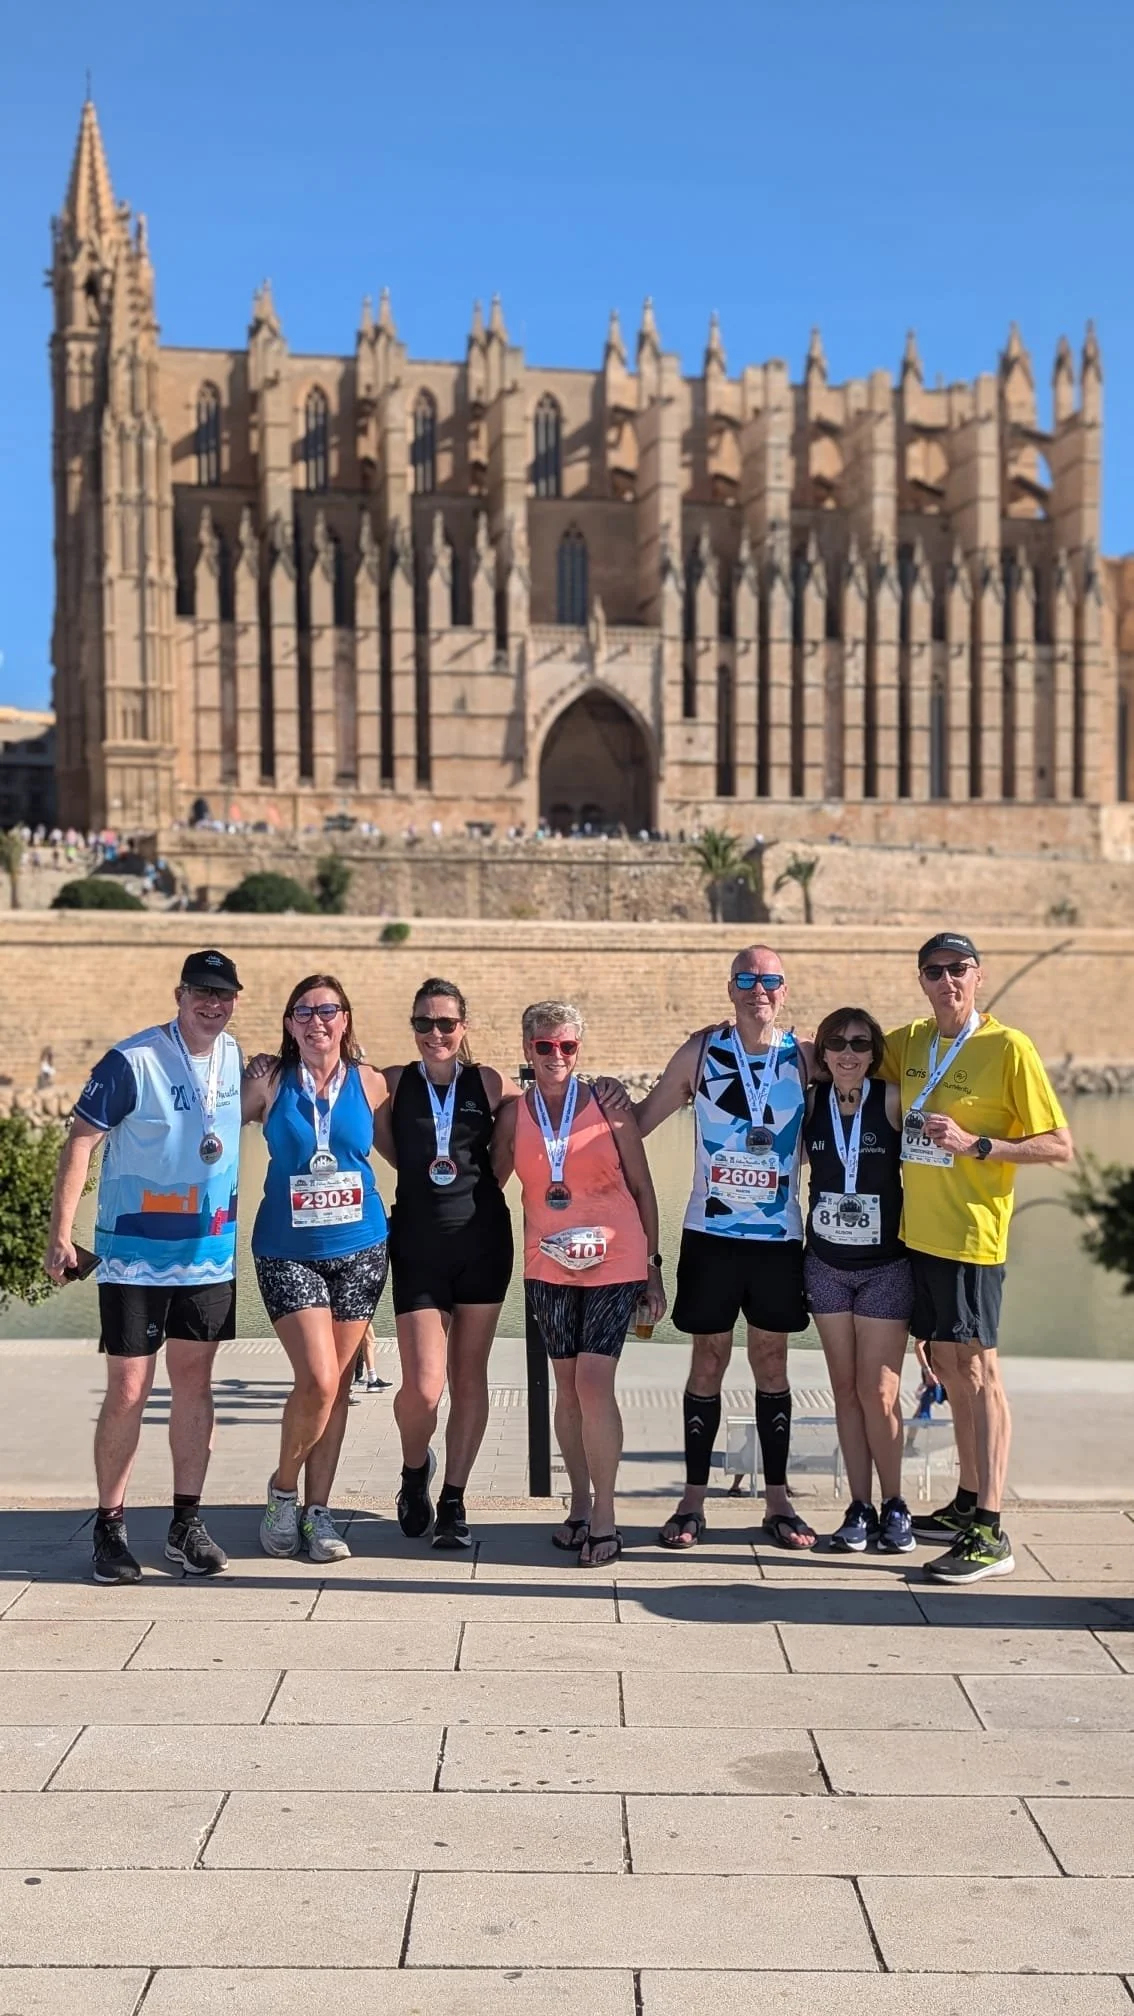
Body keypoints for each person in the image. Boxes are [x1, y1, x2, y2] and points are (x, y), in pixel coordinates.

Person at [43, 950, 245, 1584]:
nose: (213, 1004)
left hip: (208, 1257)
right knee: (129, 1391)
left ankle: (186, 1523)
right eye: (202, 993)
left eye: (225, 994)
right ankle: (110, 1526)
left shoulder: (239, 1057)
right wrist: (60, 1234)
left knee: (195, 1387)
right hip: (135, 1258)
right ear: (180, 994)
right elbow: (81, 1139)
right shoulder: (130, 1060)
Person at [882, 931, 1073, 1583]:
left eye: (957, 969)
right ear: (922, 981)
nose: (946, 981)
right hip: (918, 1235)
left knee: (980, 1373)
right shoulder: (906, 1043)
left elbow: (1058, 1146)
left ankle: (991, 1530)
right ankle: (966, 1501)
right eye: (933, 971)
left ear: (978, 975)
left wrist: (978, 1144)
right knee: (947, 1366)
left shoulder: (1008, 1047)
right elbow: (838, 1058)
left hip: (972, 1237)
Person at [633, 946, 815, 1550]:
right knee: (707, 1363)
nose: (757, 989)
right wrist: (581, 1109)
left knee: (771, 1364)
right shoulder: (702, 1052)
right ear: (731, 988)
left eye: (769, 980)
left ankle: (779, 1502)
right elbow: (640, 1122)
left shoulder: (807, 1058)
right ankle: (692, 1502)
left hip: (778, 1239)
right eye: (746, 979)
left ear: (784, 990)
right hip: (711, 1236)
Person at [492, 1000, 665, 1566]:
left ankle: (608, 1516)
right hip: (549, 1265)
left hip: (615, 1261)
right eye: (545, 1046)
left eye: (567, 1046)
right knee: (566, 1389)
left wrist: (655, 1269)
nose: (556, 1056)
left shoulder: (610, 1106)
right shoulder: (514, 1115)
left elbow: (642, 1187)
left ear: (579, 1049)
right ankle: (580, 1504)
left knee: (594, 1384)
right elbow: (486, 1183)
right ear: (528, 1049)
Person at [243, 974, 389, 1564]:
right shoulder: (268, 1082)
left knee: (340, 1389)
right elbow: (208, 1134)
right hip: (287, 1250)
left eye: (327, 1010)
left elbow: (419, 1141)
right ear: (288, 1024)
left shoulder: (373, 1083)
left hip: (361, 1248)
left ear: (346, 1020)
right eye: (302, 1011)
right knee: (320, 1380)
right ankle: (283, 1492)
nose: (315, 1021)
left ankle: (318, 1512)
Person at [374, 978, 518, 1549]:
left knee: (468, 1378)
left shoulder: (488, 1082)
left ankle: (455, 1499)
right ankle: (415, 1474)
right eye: (424, 1024)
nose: (435, 1034)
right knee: (424, 1389)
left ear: (464, 1028)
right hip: (416, 1245)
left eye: (446, 1024)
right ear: (412, 1027)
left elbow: (536, 1113)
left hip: (483, 1242)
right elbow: (383, 1142)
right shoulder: (389, 1084)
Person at [802, 1006, 916, 1552]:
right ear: (822, 1051)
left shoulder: (892, 1098)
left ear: (874, 1053)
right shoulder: (808, 1101)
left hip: (885, 1268)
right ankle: (859, 1505)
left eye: (860, 1043)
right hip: (824, 1265)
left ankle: (896, 1504)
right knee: (845, 1390)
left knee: (880, 1392)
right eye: (837, 1043)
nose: (849, 1052)